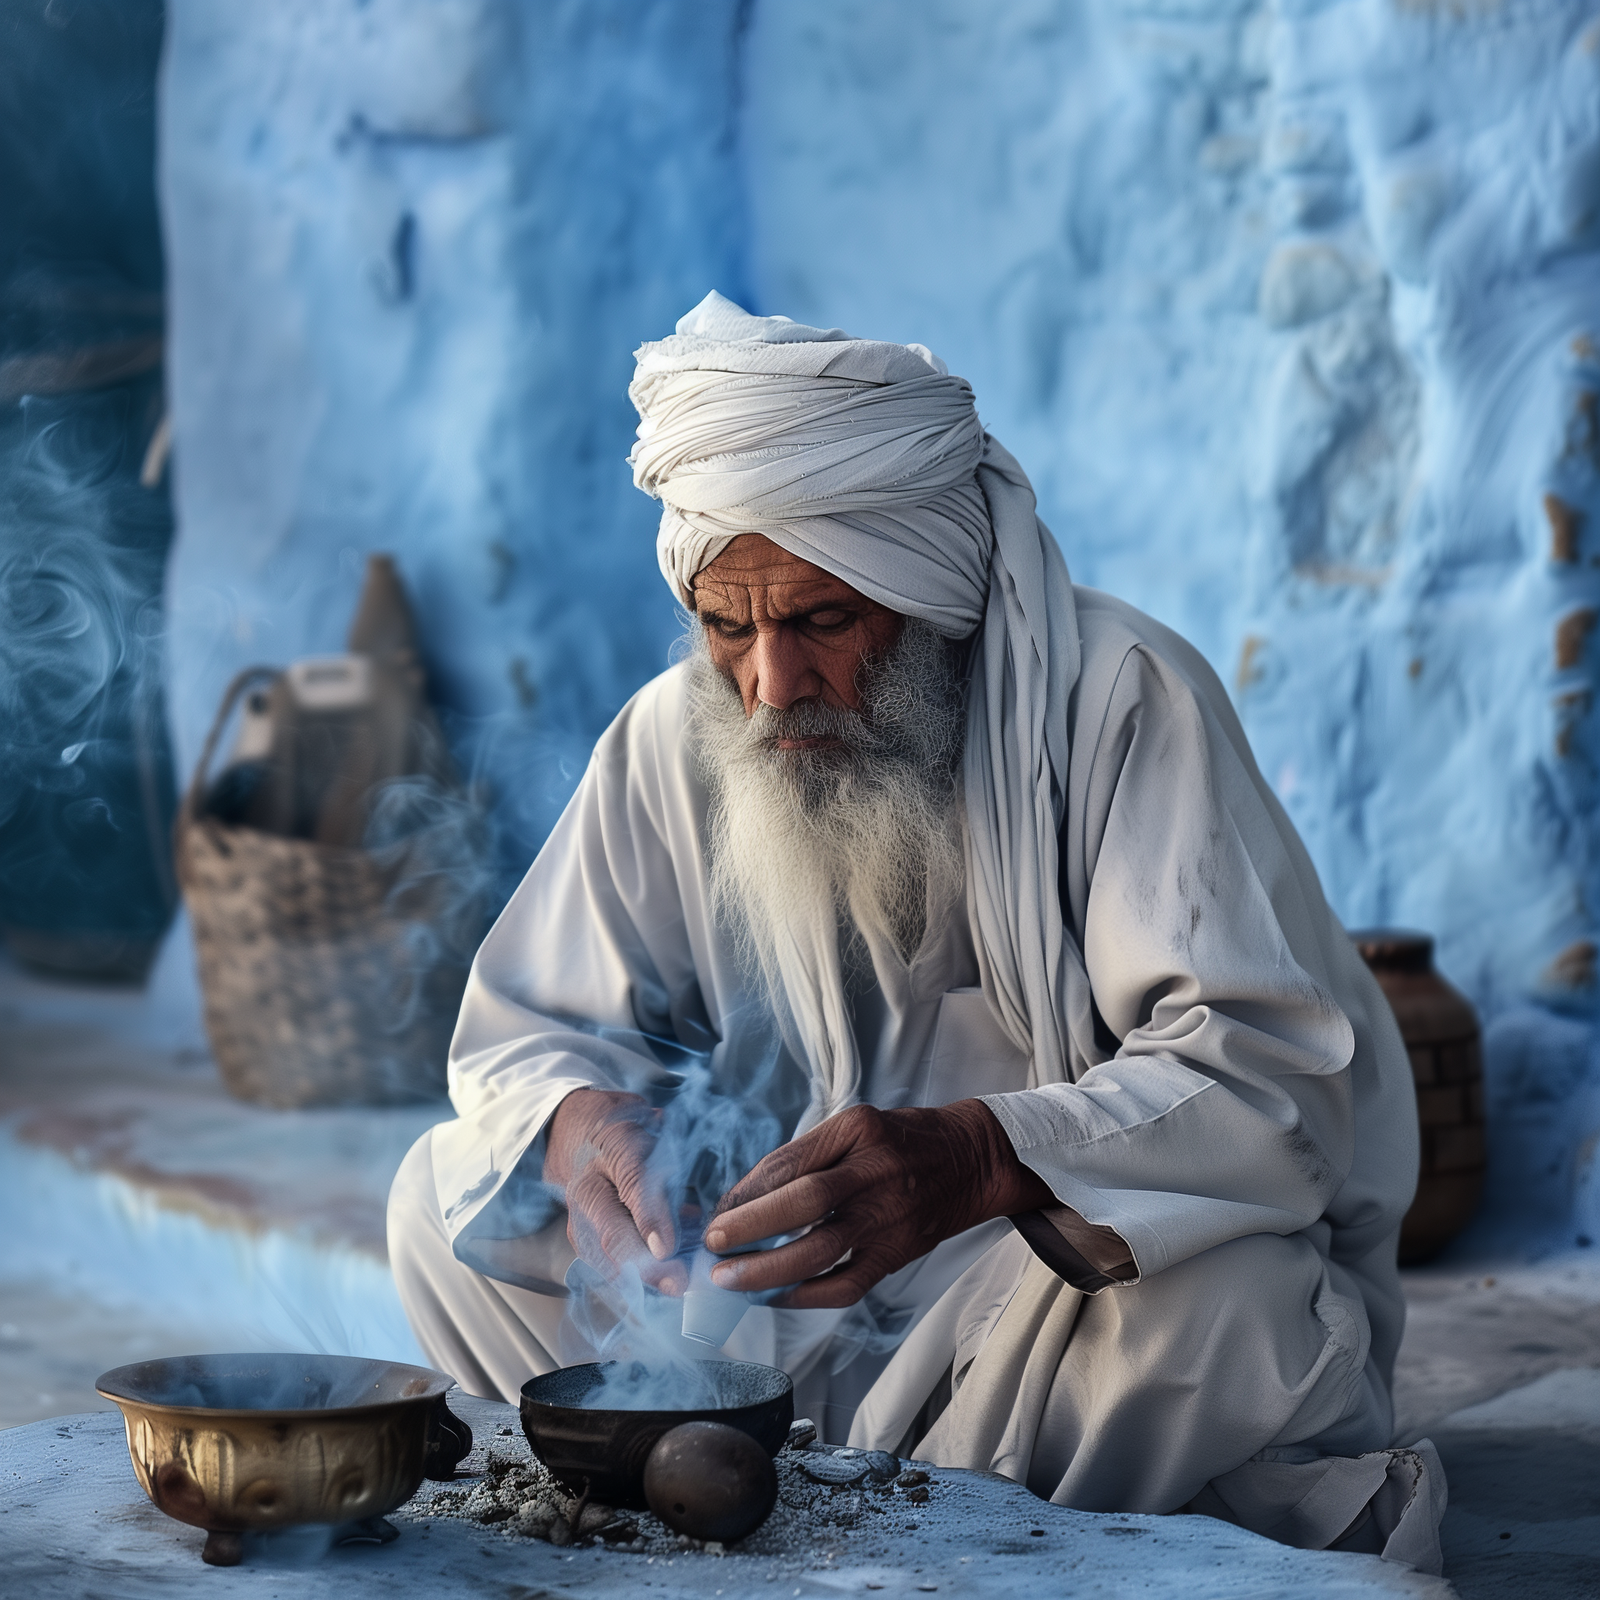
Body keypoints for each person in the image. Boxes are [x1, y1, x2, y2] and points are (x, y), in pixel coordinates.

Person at [387, 293, 1444, 1570]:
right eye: (730, 626)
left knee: (1225, 1311)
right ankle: (758, 1482)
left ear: (931, 597)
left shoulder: (1116, 701)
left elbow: (1269, 1076)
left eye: (823, 621)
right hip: (781, 1301)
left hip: (1030, 1303)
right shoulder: (681, 736)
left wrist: (986, 1157)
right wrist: (581, 1128)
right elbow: (527, 1033)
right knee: (445, 1197)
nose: (771, 686)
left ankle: (923, 1536)